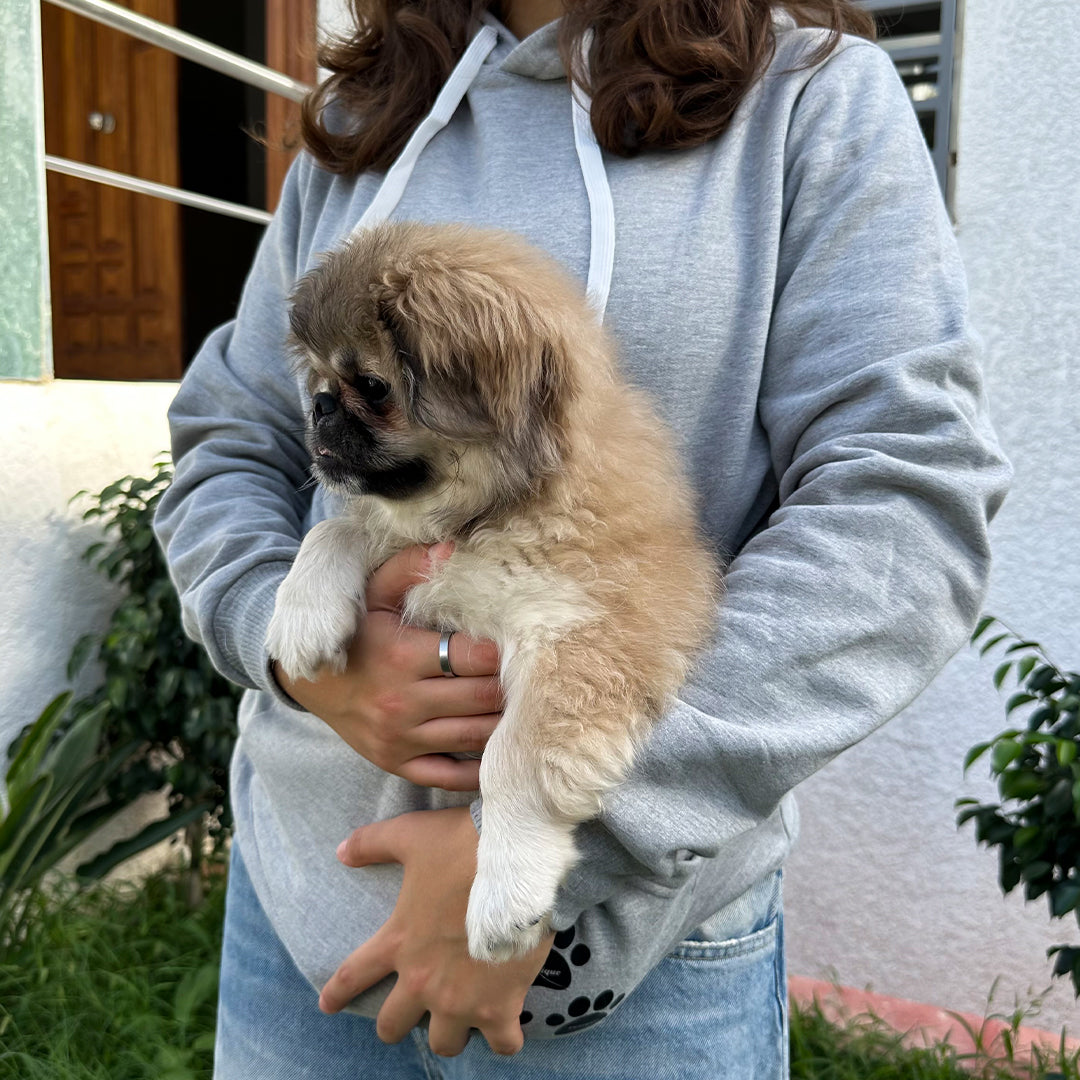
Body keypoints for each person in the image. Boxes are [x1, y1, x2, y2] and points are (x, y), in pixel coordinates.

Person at [154, 0, 1012, 1076]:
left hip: (623, 945)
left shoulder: (809, 98)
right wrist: (286, 648)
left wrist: (569, 830)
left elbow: (903, 503)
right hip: (305, 904)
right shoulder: (367, 114)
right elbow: (232, 438)